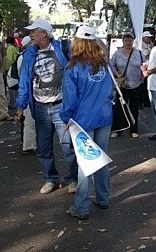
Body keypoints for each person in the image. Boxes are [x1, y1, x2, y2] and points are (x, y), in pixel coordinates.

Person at [14, 18, 78, 195]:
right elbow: (25, 81)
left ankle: (73, 179)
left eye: (33, 31)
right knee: (43, 148)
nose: (30, 35)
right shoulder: (29, 54)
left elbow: (75, 74)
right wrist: (20, 106)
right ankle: (51, 179)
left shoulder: (63, 49)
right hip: (40, 108)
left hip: (61, 106)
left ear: (44, 33)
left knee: (68, 147)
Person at [60, 25, 114, 220]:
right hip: (104, 116)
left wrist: (66, 118)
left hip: (83, 120)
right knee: (101, 160)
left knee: (86, 164)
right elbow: (111, 90)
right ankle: (103, 198)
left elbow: (70, 98)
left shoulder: (73, 67)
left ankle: (81, 207)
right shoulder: (104, 63)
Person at [109, 32, 144, 138]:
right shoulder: (118, 53)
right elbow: (111, 64)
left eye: (130, 40)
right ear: (123, 41)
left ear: (133, 41)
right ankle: (118, 129)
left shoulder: (139, 53)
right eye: (126, 40)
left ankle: (133, 129)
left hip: (136, 84)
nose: (128, 42)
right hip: (122, 85)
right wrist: (117, 74)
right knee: (119, 108)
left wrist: (143, 77)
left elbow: (143, 65)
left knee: (134, 108)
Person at [16, 35, 36, 154]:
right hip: (28, 91)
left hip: (28, 90)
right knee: (29, 120)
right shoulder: (24, 57)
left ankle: (28, 142)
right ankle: (28, 145)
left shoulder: (24, 57)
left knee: (29, 119)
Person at [5, 34, 21, 111]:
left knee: (10, 86)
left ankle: (12, 103)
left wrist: (6, 68)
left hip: (10, 69)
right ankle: (18, 102)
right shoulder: (16, 48)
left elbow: (8, 59)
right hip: (16, 68)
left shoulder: (9, 48)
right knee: (16, 85)